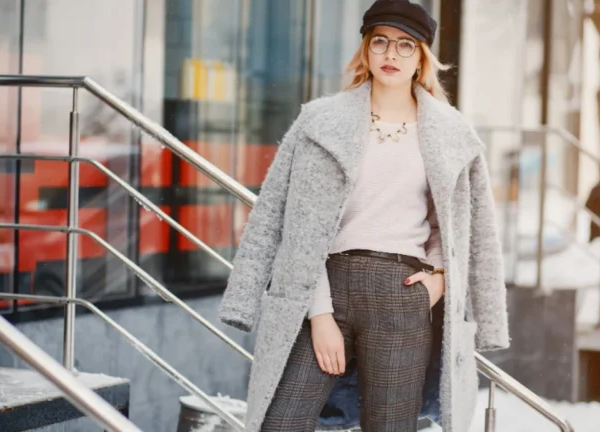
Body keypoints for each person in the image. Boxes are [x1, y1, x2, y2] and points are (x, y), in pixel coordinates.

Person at [218, 1, 509, 431]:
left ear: (422, 57)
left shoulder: (451, 133)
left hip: (403, 294)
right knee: (281, 422)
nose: (391, 54)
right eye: (381, 42)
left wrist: (440, 279)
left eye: (405, 45)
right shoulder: (319, 121)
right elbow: (279, 218)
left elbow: (466, 228)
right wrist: (318, 314)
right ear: (366, 50)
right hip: (325, 288)